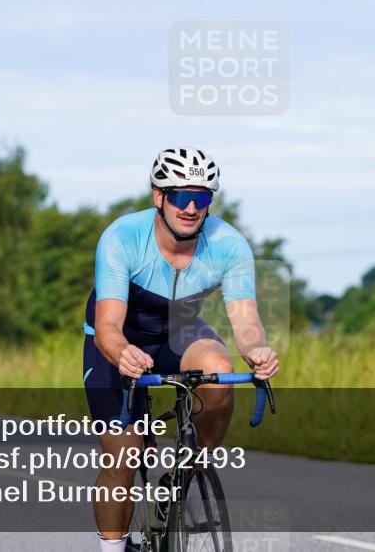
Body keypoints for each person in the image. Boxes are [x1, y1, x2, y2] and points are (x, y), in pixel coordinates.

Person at [81, 147, 280, 552]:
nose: (191, 207)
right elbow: (108, 327)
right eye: (179, 196)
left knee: (220, 370)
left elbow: (245, 320)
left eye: (202, 197)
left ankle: (184, 474)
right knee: (123, 457)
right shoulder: (122, 237)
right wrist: (122, 353)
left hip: (179, 331)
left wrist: (257, 350)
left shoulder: (229, 244)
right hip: (119, 338)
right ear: (159, 197)